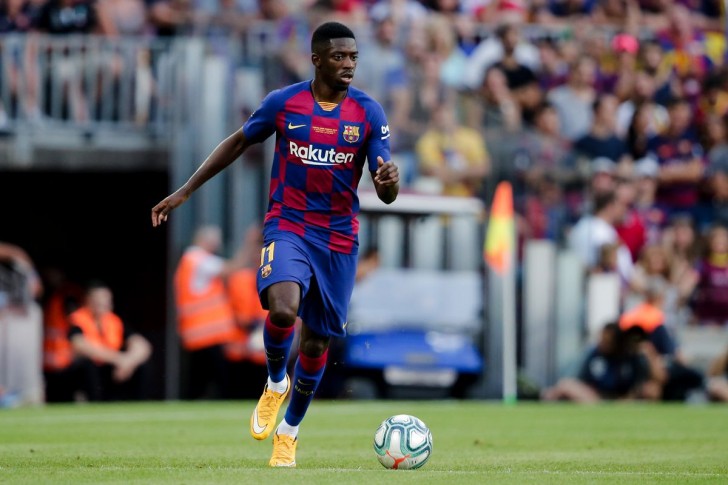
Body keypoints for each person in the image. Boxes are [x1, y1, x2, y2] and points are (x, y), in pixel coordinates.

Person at [151, 21, 399, 467]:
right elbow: (238, 142)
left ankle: (289, 431)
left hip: (338, 238)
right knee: (283, 309)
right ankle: (275, 380)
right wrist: (185, 190)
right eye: (339, 56)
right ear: (317, 59)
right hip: (289, 224)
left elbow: (386, 190)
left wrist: (389, 180)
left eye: (353, 57)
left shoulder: (368, 112)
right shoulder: (284, 103)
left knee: (317, 344)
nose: (348, 64)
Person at [174, 224, 240, 399]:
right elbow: (231, 268)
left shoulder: (191, 260)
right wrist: (250, 245)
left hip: (199, 333)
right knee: (219, 377)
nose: (218, 244)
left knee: (198, 379)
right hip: (207, 333)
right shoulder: (197, 258)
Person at [67, 283, 152, 401]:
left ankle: (140, 404)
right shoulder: (78, 319)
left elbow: (142, 345)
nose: (102, 302)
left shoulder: (115, 321)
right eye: (98, 299)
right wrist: (118, 359)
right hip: (91, 369)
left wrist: (128, 362)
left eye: (105, 298)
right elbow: (79, 345)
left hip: (112, 369)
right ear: (88, 300)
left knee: (142, 367)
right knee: (87, 366)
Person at [541, 322, 665, 403]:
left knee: (652, 390)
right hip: (597, 397)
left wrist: (650, 353)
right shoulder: (594, 354)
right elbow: (583, 379)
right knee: (565, 385)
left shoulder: (631, 357)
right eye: (602, 339)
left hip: (624, 399)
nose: (603, 343)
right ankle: (541, 396)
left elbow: (652, 380)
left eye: (607, 341)